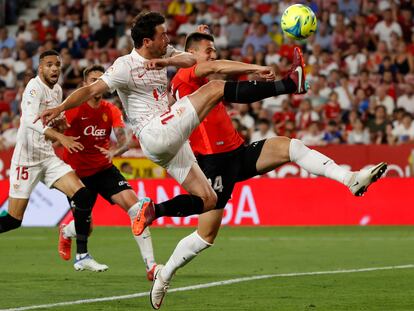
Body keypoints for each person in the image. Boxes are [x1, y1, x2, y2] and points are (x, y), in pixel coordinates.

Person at [149, 31, 389, 310]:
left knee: (291, 147)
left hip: (236, 153)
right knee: (206, 236)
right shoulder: (187, 75)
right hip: (213, 163)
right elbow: (214, 68)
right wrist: (262, 72)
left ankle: (350, 179)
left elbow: (215, 69)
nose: (213, 55)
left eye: (214, 50)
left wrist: (209, 45)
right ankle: (164, 274)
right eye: (209, 50)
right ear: (192, 54)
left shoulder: (196, 75)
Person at [38, 12, 307, 242]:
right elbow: (91, 90)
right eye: (163, 35)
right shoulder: (124, 66)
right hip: (154, 131)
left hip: (169, 142)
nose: (167, 39)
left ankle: (153, 210)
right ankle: (288, 84)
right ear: (147, 41)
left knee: (209, 199)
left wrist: (165, 61)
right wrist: (60, 108)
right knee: (214, 88)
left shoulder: (164, 52)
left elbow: (190, 60)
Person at [0, 50, 108, 272]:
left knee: (83, 194)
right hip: (26, 159)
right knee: (13, 220)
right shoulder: (33, 86)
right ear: (40, 68)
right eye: (49, 65)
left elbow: (53, 119)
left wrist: (61, 126)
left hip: (47, 156)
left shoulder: (57, 90)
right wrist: (60, 136)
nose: (55, 69)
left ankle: (82, 255)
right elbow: (29, 120)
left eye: (57, 65)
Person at [58, 65, 157, 279]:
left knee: (137, 210)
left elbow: (125, 141)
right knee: (88, 227)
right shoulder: (74, 108)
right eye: (92, 80)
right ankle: (66, 231)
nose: (97, 84)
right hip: (77, 175)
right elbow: (57, 131)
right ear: (85, 84)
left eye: (100, 80)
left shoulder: (110, 110)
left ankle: (151, 266)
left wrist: (114, 151)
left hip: (103, 169)